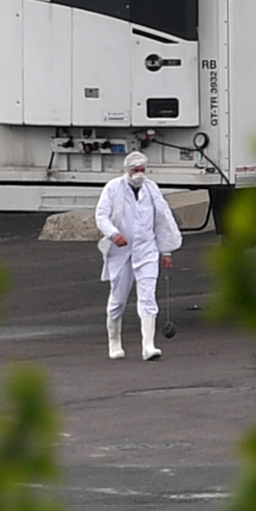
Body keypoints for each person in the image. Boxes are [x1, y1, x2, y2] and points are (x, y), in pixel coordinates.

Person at [92, 152, 181, 361]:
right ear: (127, 170)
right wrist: (114, 234)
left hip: (146, 250)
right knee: (118, 300)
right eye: (135, 170)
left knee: (148, 296)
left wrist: (166, 251)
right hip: (121, 252)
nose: (139, 174)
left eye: (142, 170)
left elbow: (162, 219)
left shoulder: (152, 189)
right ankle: (114, 342)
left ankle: (148, 346)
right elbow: (101, 215)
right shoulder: (113, 188)